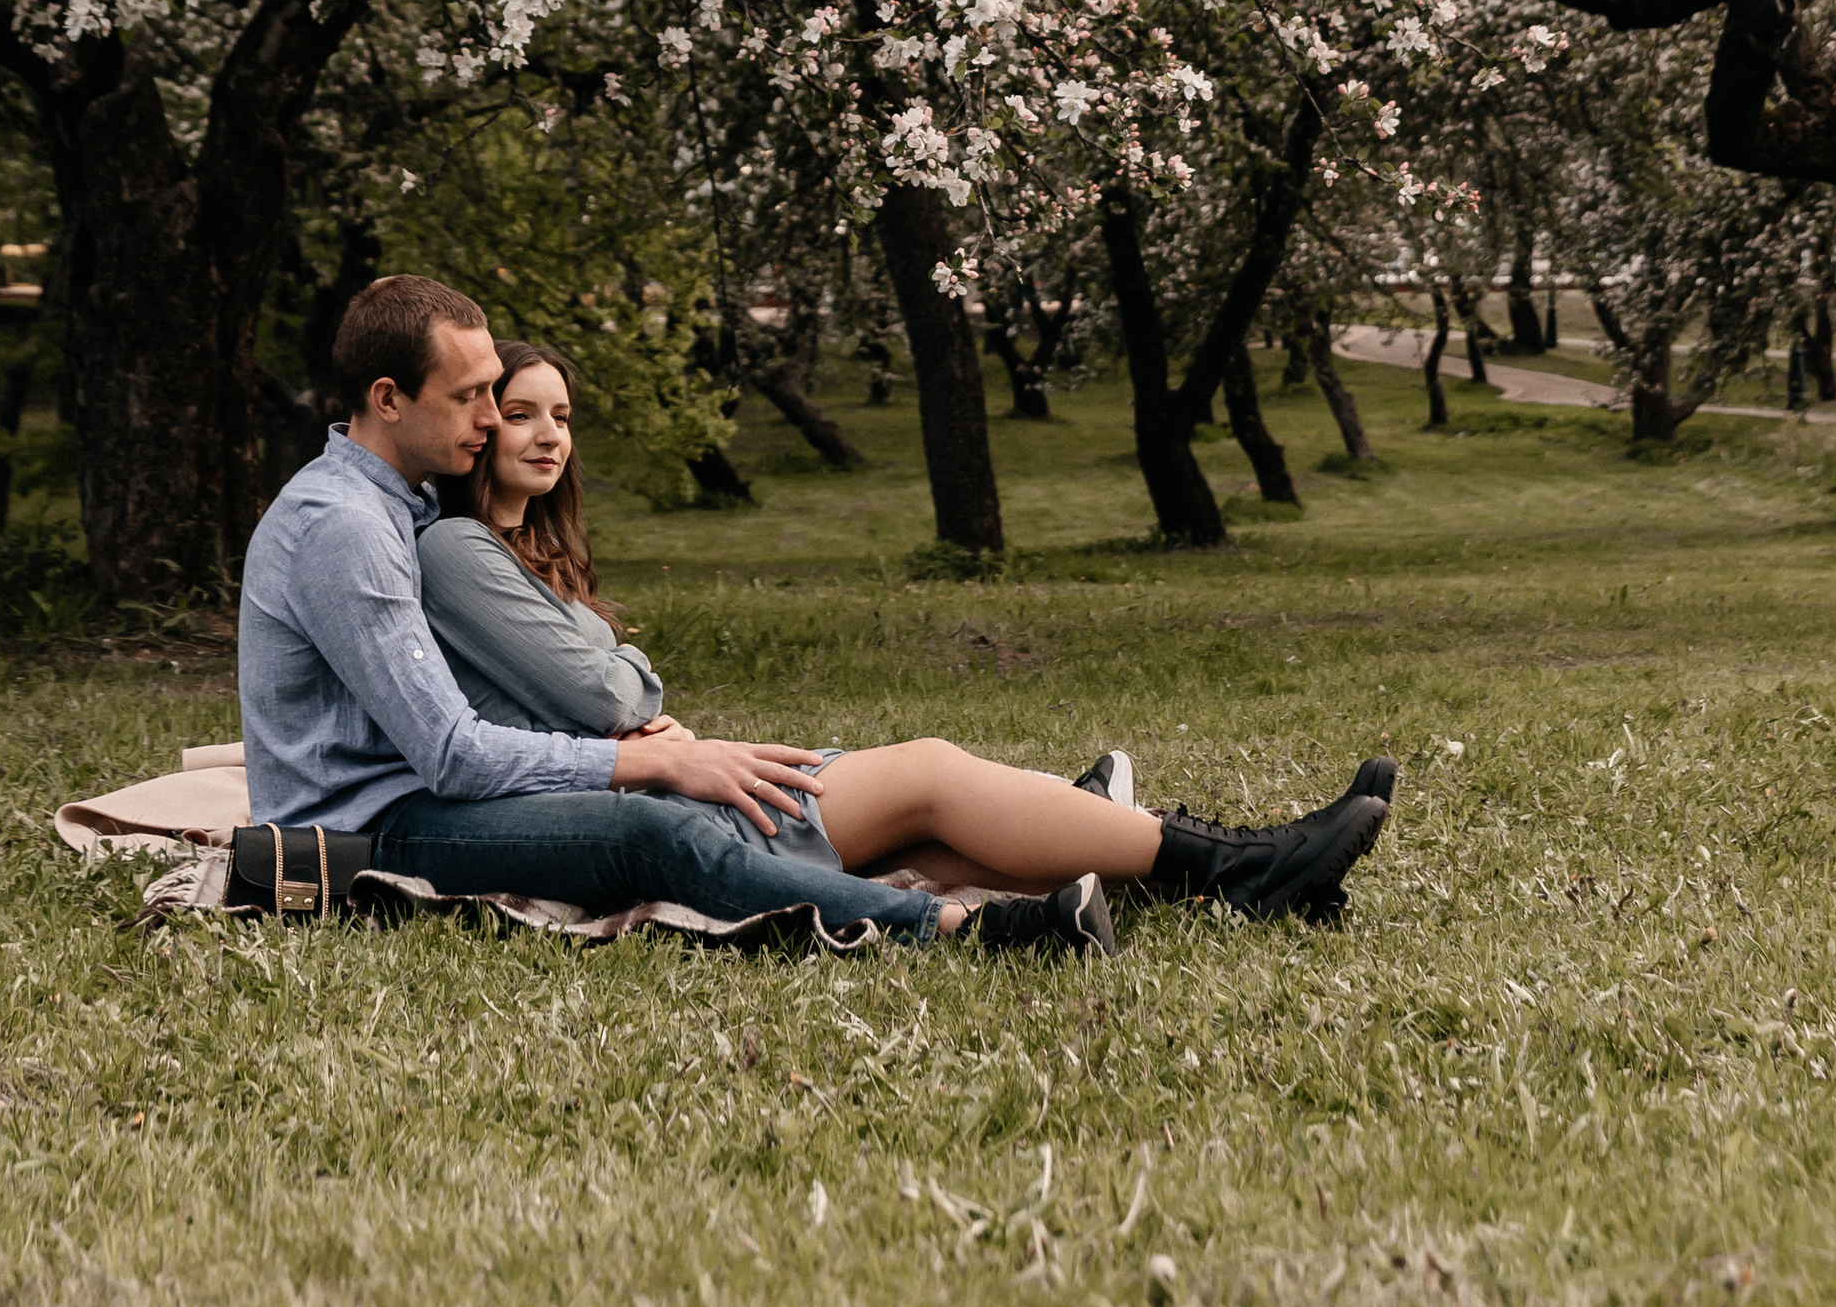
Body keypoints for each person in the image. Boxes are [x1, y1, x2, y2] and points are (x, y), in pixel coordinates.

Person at [411, 329, 1395, 925]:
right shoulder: (457, 552)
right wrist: (631, 686)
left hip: (673, 784)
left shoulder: (523, 557)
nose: (548, 435)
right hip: (636, 818)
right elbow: (610, 692)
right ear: (479, 427)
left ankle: (1195, 858)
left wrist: (628, 687)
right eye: (522, 413)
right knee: (925, 773)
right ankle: (1243, 863)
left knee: (950, 844)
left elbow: (612, 684)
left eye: (564, 416)